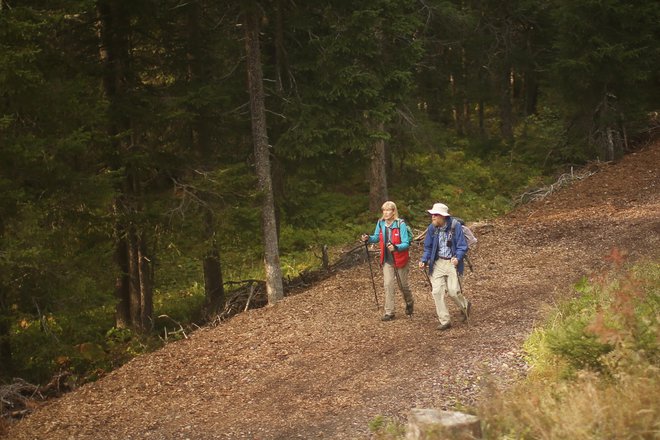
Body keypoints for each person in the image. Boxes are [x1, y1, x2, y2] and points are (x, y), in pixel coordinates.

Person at [418, 202, 471, 330]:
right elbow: (428, 247)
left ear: (443, 216)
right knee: (436, 291)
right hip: (437, 262)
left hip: (452, 262)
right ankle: (445, 320)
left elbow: (462, 246)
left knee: (453, 291)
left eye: (436, 215)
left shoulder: (455, 226)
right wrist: (424, 260)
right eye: (432, 214)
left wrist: (457, 258)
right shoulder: (432, 228)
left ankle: (465, 305)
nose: (433, 217)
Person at [361, 201, 414, 321]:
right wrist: (368, 238)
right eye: (384, 210)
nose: (385, 213)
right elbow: (376, 237)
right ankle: (389, 312)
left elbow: (406, 243)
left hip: (400, 258)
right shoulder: (380, 223)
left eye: (388, 210)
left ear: (393, 211)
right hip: (387, 259)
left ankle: (409, 301)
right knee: (388, 284)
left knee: (403, 285)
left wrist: (396, 247)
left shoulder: (401, 224)